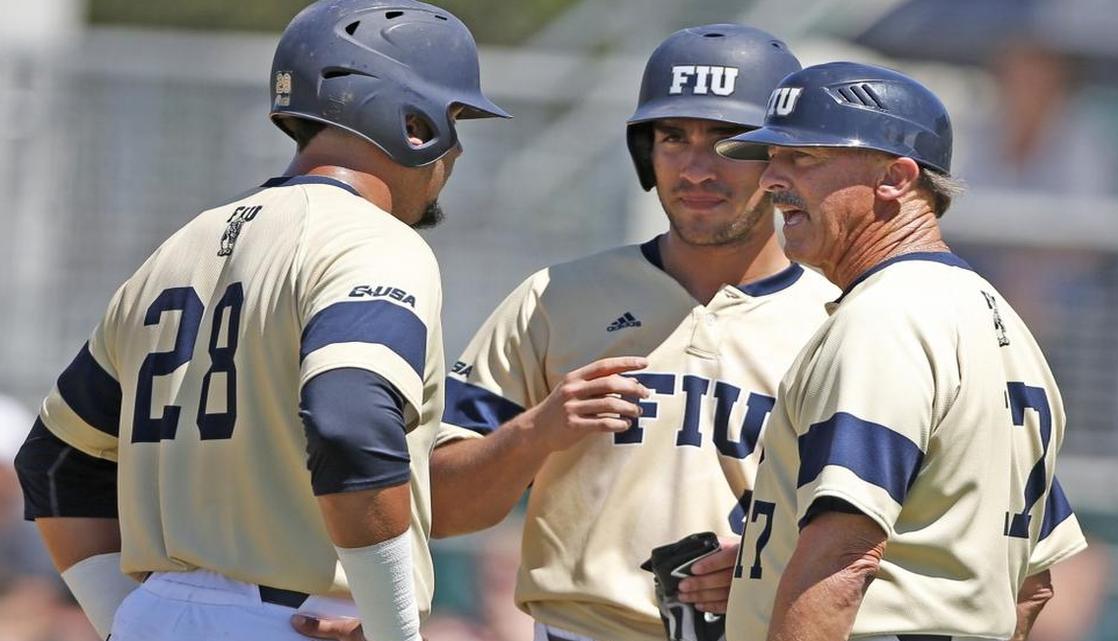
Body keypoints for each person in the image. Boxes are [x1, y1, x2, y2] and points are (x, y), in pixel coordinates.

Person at [296, 23, 838, 641]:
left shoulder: (841, 322)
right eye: (672, 136)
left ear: (781, 158)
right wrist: (534, 433)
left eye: (727, 139)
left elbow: (906, 535)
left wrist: (774, 562)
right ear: (645, 152)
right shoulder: (554, 298)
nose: (694, 167)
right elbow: (440, 507)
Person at [12, 1, 508, 640]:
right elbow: (351, 424)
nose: (459, 149)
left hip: (154, 615)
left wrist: (125, 619)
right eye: (454, 120)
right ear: (415, 125)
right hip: (299, 621)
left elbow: (54, 461)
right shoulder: (372, 240)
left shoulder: (177, 247)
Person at [715, 61, 1088, 641]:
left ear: (895, 178)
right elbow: (1032, 585)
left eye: (804, 158)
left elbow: (845, 558)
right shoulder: (998, 322)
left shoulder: (885, 320)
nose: (770, 179)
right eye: (772, 158)